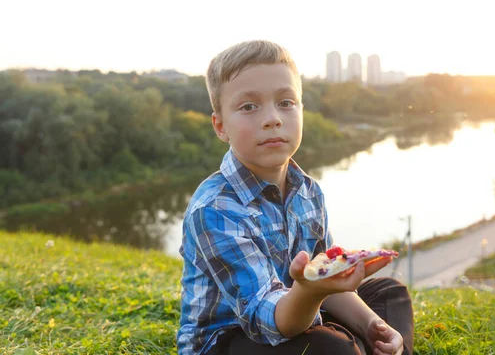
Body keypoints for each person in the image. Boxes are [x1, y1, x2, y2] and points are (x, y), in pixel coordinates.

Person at [177, 40, 414, 355]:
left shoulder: (309, 191)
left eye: (286, 102)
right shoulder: (215, 208)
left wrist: (372, 324)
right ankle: (349, 344)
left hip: (299, 311)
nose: (272, 118)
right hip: (232, 339)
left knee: (389, 294)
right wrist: (310, 290)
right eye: (249, 106)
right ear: (221, 126)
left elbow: (325, 283)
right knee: (331, 347)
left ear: (302, 109)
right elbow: (271, 318)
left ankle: (366, 343)